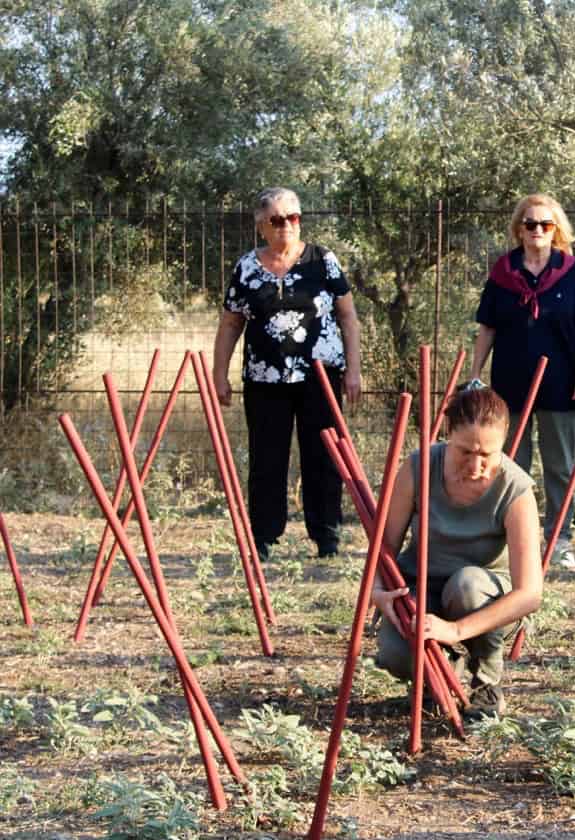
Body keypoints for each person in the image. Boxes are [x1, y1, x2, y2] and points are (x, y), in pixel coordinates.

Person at [370, 383, 541, 719]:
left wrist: (455, 631)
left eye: (487, 455)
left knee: (466, 585)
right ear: (448, 434)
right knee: (394, 654)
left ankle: (485, 680)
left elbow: (530, 594)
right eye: (465, 451)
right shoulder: (419, 468)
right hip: (421, 590)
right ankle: (441, 674)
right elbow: (384, 545)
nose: (475, 465)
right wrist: (377, 591)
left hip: (483, 596)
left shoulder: (516, 489)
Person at [213, 187, 362, 561]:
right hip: (264, 379)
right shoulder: (246, 267)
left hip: (320, 377)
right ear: (262, 226)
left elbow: (348, 317)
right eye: (277, 220)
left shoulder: (322, 261)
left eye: (293, 217)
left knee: (324, 456)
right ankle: (263, 538)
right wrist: (219, 373)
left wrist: (354, 370)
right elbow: (230, 323)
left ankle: (326, 537)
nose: (287, 226)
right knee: (267, 458)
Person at [470, 194, 575, 571]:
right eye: (530, 224)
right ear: (519, 229)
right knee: (512, 463)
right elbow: (487, 327)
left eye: (545, 224)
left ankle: (560, 540)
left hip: (561, 383)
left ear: (556, 229)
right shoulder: (502, 272)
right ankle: (515, 539)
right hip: (510, 382)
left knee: (560, 466)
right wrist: (475, 374)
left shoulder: (573, 272)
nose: (537, 230)